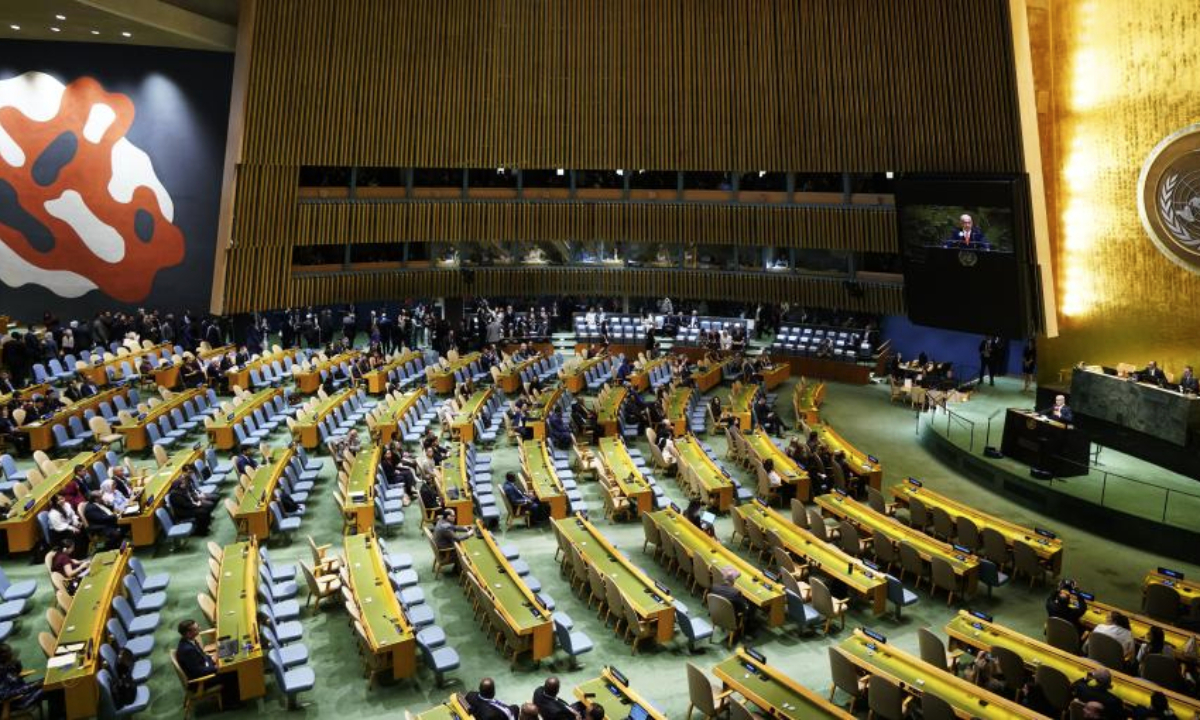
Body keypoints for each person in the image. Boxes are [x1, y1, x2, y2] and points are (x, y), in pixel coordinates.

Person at [176, 619, 239, 705]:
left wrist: (212, 657)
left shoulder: (189, 641)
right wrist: (216, 667)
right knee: (231, 672)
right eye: (196, 628)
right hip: (201, 681)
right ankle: (230, 703)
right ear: (188, 633)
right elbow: (198, 672)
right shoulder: (187, 650)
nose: (199, 628)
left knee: (229, 648)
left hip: (206, 667)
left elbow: (201, 656)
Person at [709, 566, 755, 635]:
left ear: (724, 579)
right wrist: (747, 606)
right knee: (752, 607)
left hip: (717, 614)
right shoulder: (735, 593)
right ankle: (748, 630)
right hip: (730, 618)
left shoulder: (714, 587)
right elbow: (742, 609)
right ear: (733, 581)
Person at [0, 642, 41, 714]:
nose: (11, 654)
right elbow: (5, 695)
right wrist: (33, 686)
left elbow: (16, 676)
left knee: (49, 682)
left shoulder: (7, 666)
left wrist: (17, 665)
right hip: (19, 700)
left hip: (25, 689)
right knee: (50, 688)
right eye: (9, 653)